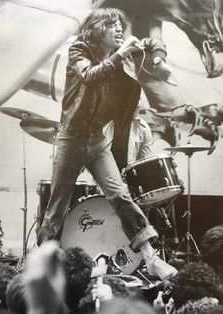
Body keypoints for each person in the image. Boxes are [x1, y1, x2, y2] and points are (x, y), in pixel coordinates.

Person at [37, 7, 177, 280]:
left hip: (97, 140)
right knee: (57, 208)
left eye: (120, 26)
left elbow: (150, 42)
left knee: (120, 196)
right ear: (95, 29)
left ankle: (150, 258)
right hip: (72, 138)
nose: (118, 30)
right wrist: (120, 54)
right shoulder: (79, 50)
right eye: (111, 25)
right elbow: (89, 76)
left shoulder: (117, 55)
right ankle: (42, 266)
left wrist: (158, 53)